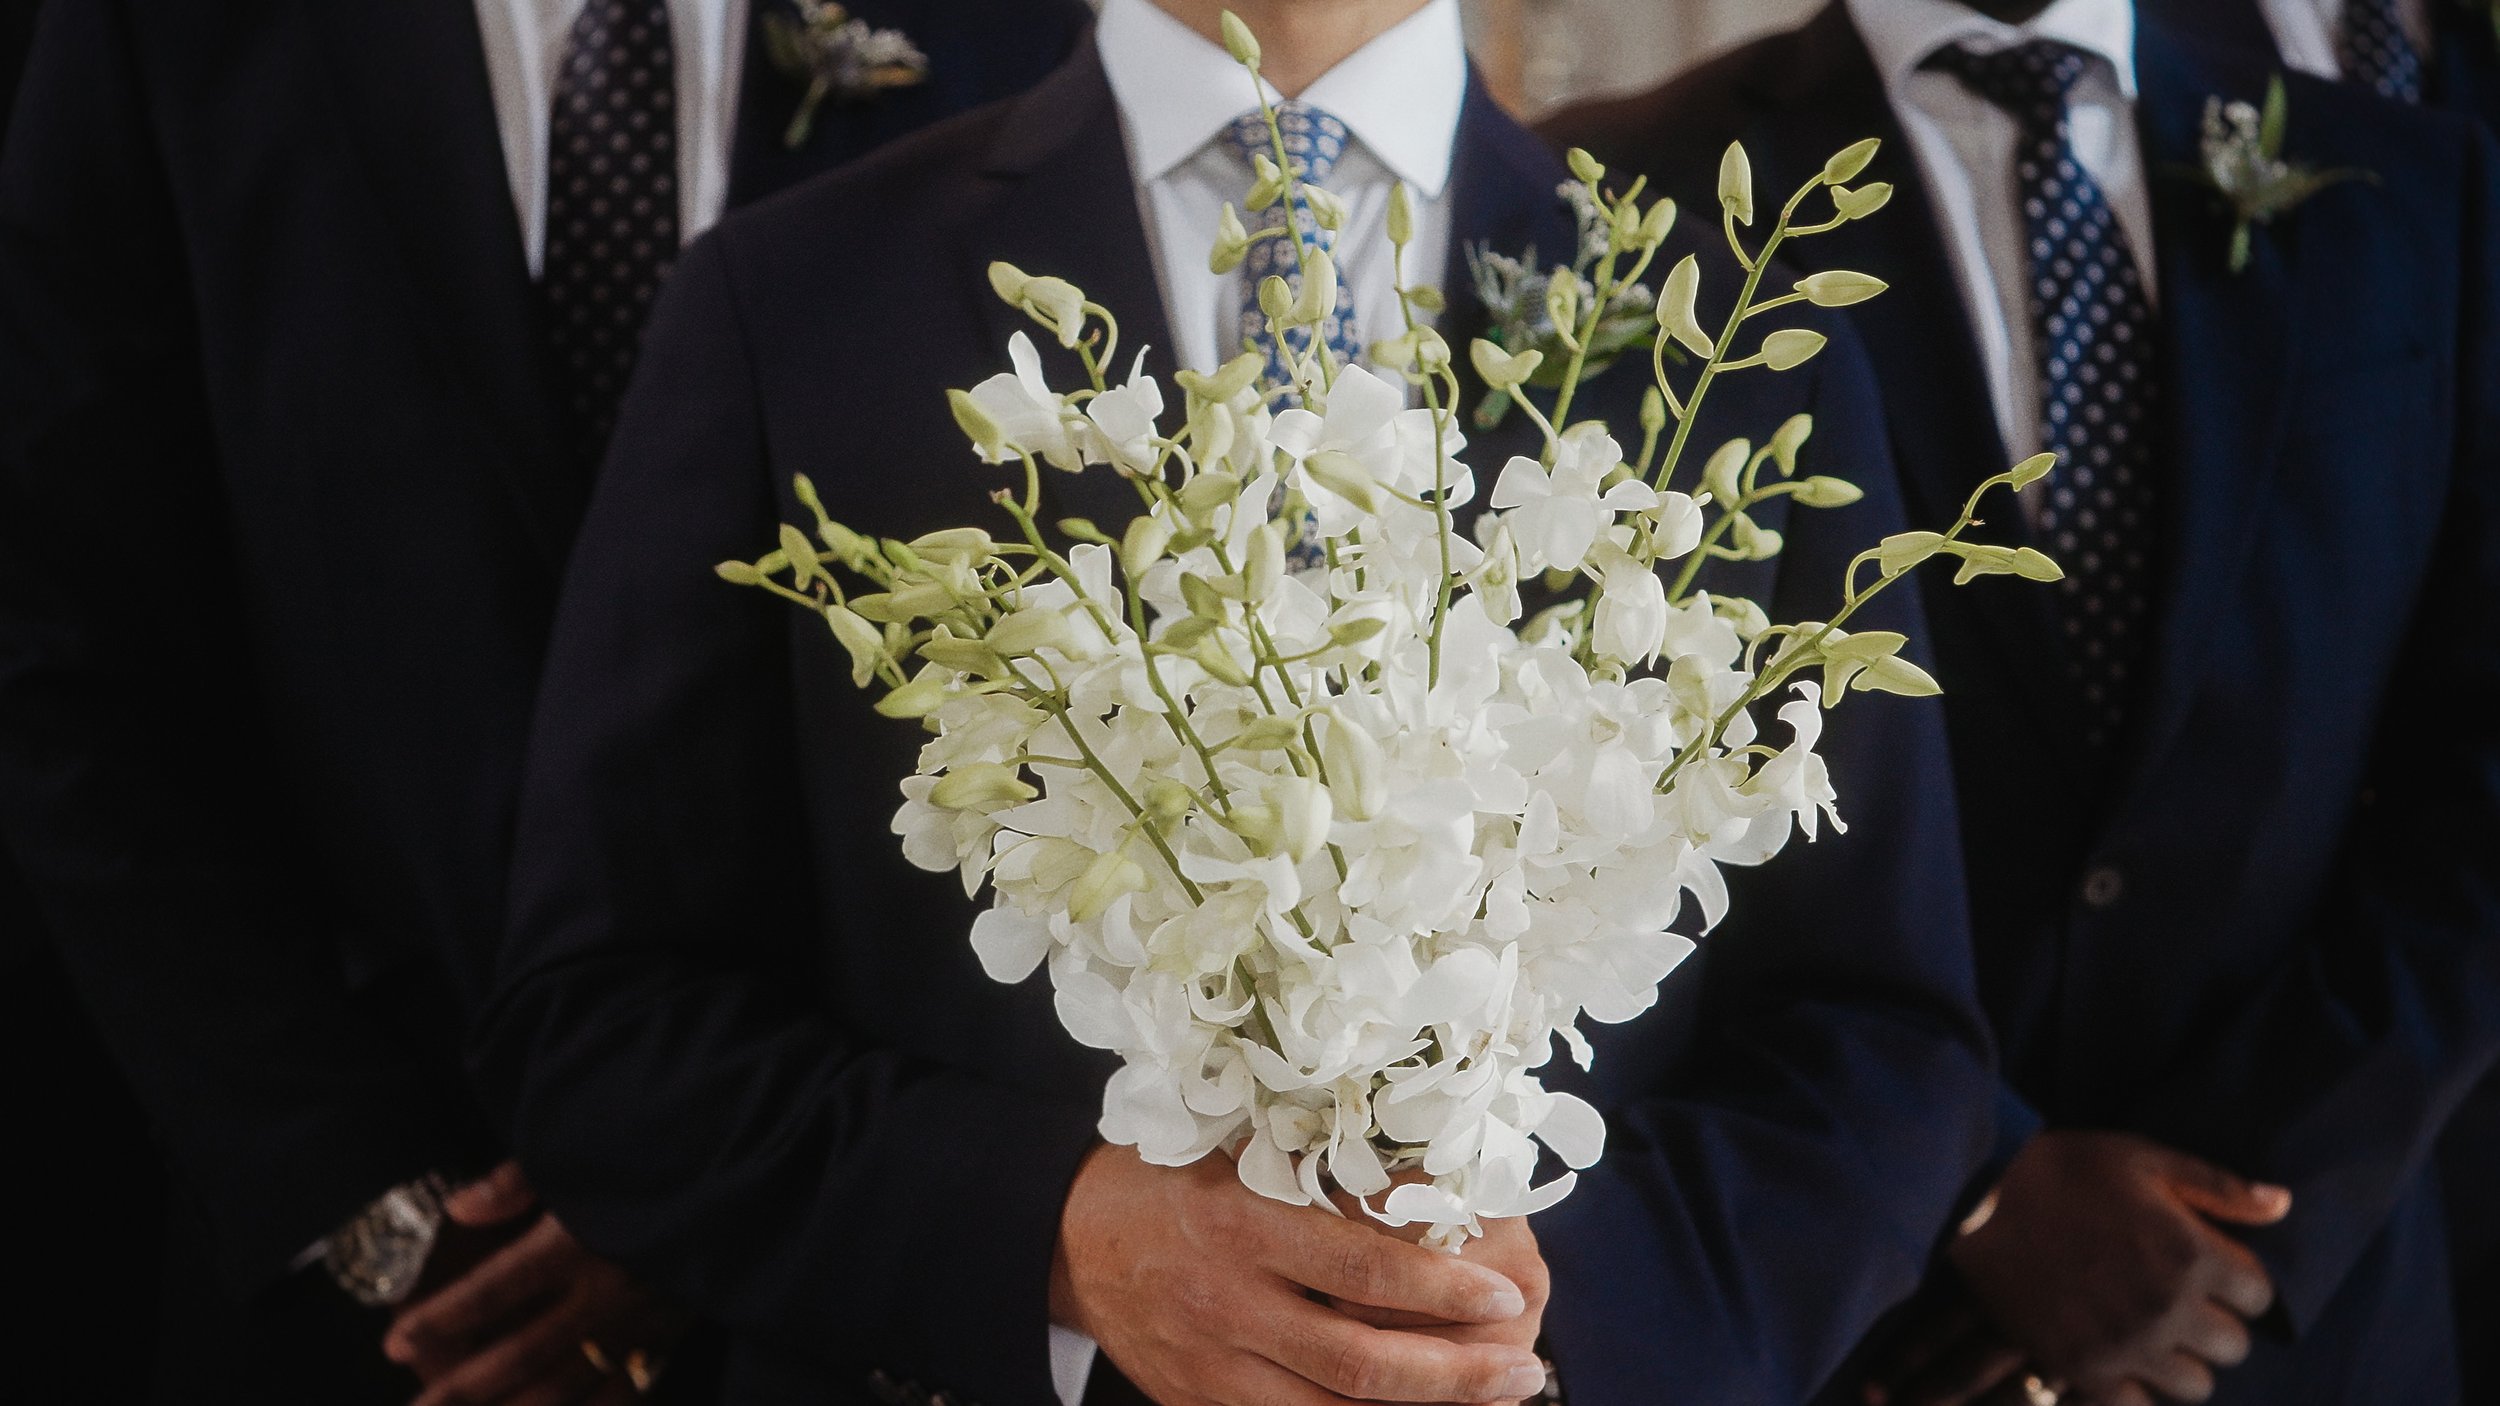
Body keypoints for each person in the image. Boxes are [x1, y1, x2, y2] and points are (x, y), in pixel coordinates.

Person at [477, 0, 2007, 1401]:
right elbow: (604, 1020)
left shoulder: (1727, 346)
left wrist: (1506, 1324)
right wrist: (1053, 1239)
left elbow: (1882, 1032)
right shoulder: (794, 299)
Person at [0, 1, 1090, 1402]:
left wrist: (712, 1187)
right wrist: (377, 1203)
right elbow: (64, 644)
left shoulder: (1027, 29)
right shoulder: (176, 36)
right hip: (375, 1280)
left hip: (851, 1281)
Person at [1547, 0, 2500, 1402]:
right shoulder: (1628, 195)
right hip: (1865, 1318)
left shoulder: (2415, 182)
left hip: (2306, 1311)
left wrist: (2245, 1203)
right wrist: (1983, 1181)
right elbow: (1595, 780)